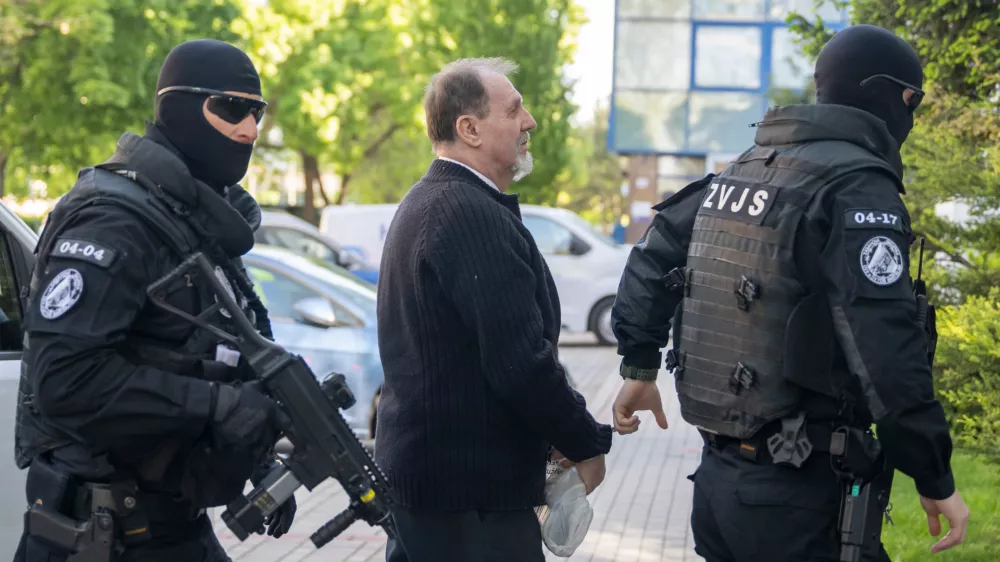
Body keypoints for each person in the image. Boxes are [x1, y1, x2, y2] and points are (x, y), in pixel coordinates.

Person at [609, 24, 970, 561]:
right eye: (910, 98)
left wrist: (639, 367)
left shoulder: (744, 169)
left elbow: (652, 255)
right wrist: (934, 473)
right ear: (884, 93)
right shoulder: (854, 185)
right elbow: (886, 348)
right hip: (797, 498)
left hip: (718, 487)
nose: (910, 112)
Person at [13, 39, 296, 562]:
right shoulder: (116, 220)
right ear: (179, 106)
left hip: (169, 526)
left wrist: (256, 455)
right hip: (100, 536)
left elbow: (198, 353)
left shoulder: (190, 220)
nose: (249, 130)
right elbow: (64, 379)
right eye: (231, 108)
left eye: (256, 111)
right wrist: (216, 406)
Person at [374, 57, 613, 562]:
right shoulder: (466, 212)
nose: (529, 122)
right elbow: (518, 361)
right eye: (514, 109)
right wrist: (586, 442)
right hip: (468, 505)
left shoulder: (431, 200)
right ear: (469, 128)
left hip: (441, 495)